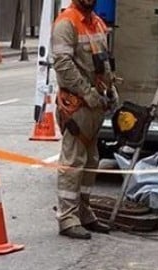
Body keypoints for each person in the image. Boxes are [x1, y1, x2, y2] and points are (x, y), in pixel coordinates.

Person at [51, 0, 117, 240]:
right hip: (77, 105)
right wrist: (87, 93)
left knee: (91, 160)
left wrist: (110, 91)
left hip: (95, 105)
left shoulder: (97, 23)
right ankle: (67, 217)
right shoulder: (66, 23)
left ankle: (83, 211)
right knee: (73, 161)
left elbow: (104, 64)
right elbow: (62, 64)